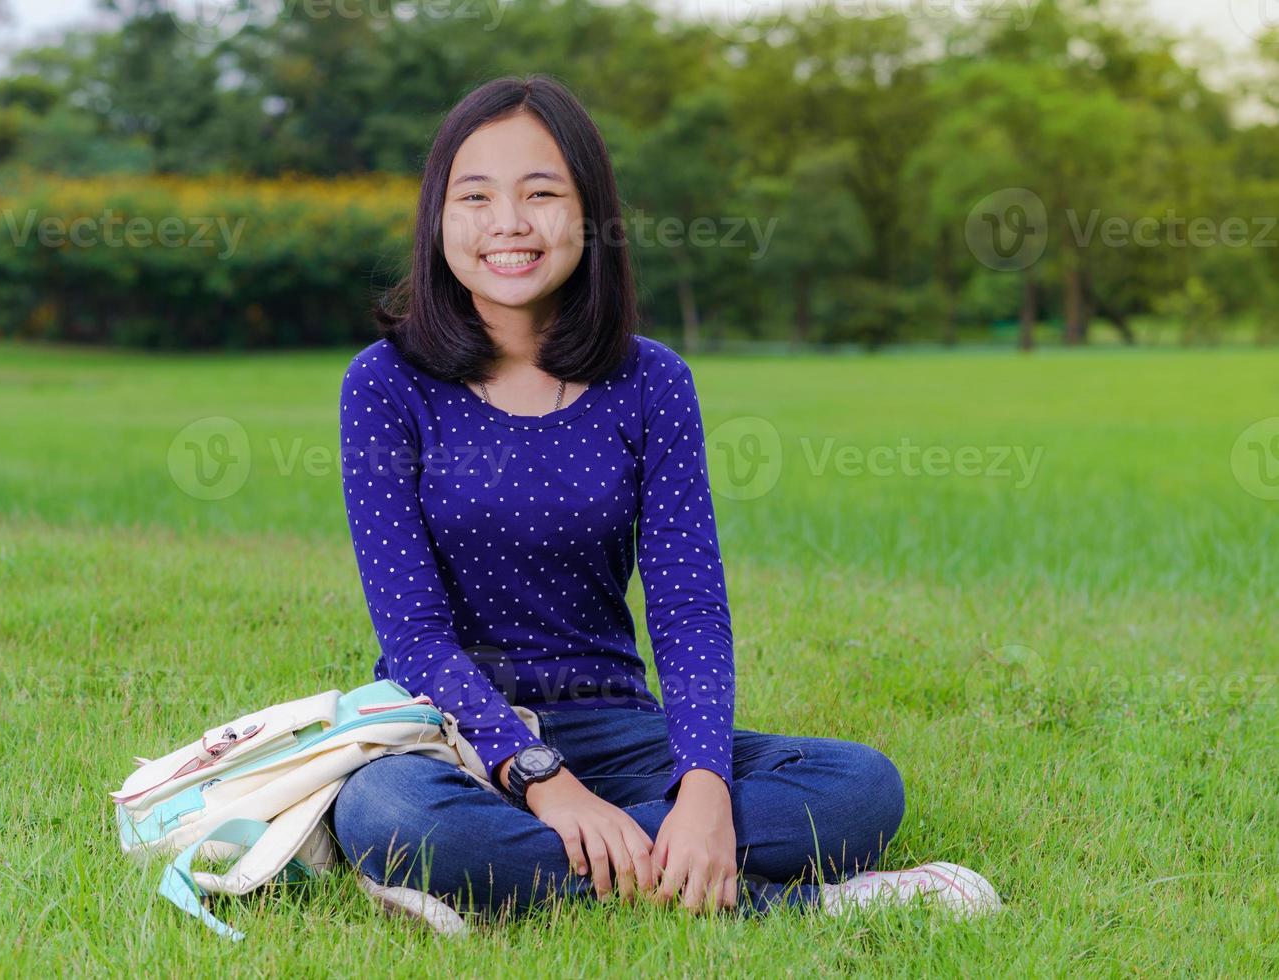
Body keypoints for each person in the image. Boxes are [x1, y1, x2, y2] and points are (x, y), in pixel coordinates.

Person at [331, 73, 1000, 931]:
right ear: (438, 218)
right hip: (451, 740)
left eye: (542, 194)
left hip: (617, 728)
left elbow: (687, 608)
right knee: (388, 815)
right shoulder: (386, 384)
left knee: (859, 789)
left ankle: (499, 883)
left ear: (591, 216)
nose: (508, 223)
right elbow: (415, 636)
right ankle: (799, 904)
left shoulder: (652, 382)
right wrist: (546, 784)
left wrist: (704, 790)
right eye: (476, 197)